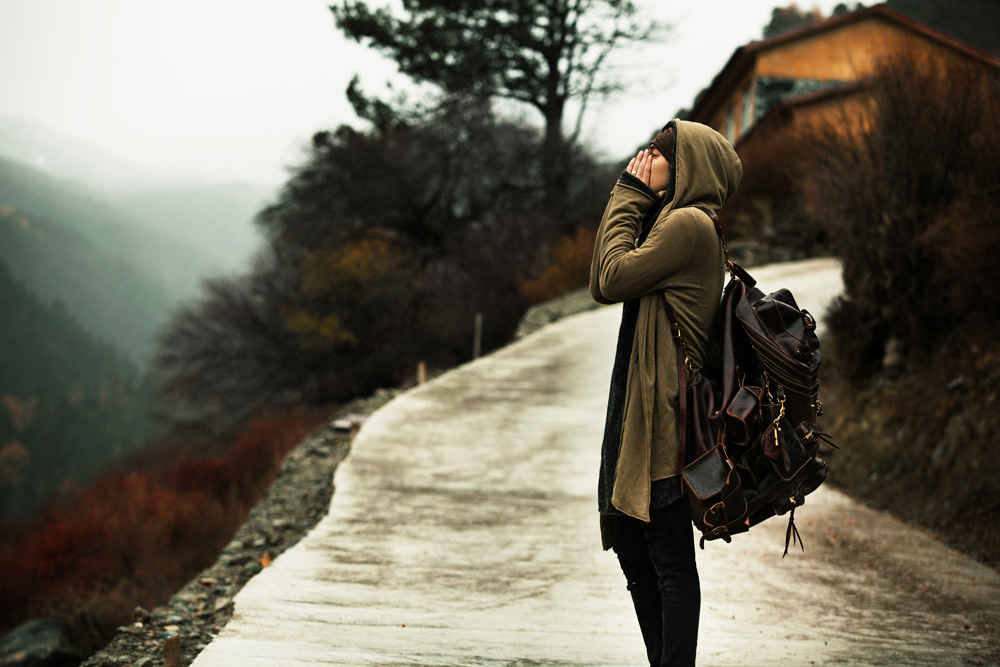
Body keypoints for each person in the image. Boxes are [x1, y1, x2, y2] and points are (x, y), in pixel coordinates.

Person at [589, 119, 742, 666]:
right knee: (635, 546)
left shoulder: (687, 226)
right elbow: (601, 276)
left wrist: (627, 194)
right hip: (640, 410)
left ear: (685, 169)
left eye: (658, 152)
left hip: (663, 419)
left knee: (667, 557)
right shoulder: (675, 225)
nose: (643, 157)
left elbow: (609, 278)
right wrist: (635, 199)